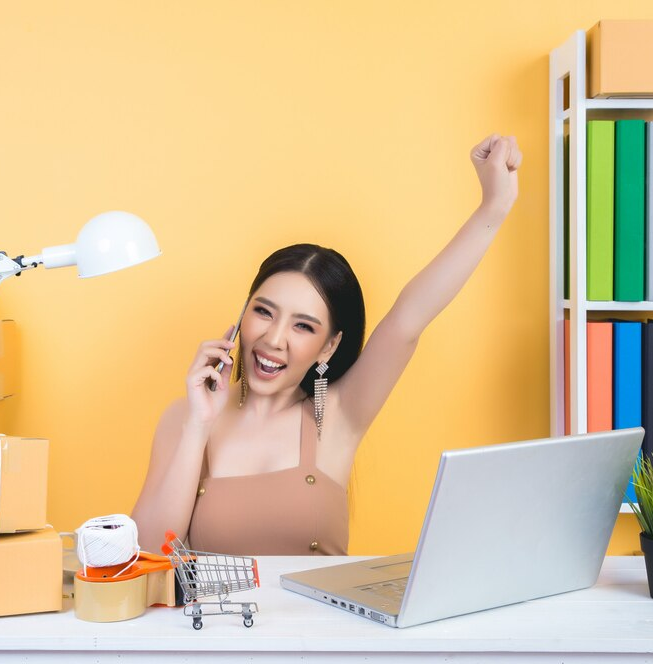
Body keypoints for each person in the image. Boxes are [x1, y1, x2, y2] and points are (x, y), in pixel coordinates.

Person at [132, 134, 522, 555]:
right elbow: (149, 555)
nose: (274, 339)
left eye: (303, 326)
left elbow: (409, 319)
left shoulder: (337, 414)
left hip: (323, 623)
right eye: (263, 311)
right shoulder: (186, 418)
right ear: (243, 314)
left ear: (328, 347)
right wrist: (198, 427)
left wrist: (494, 206)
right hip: (220, 621)